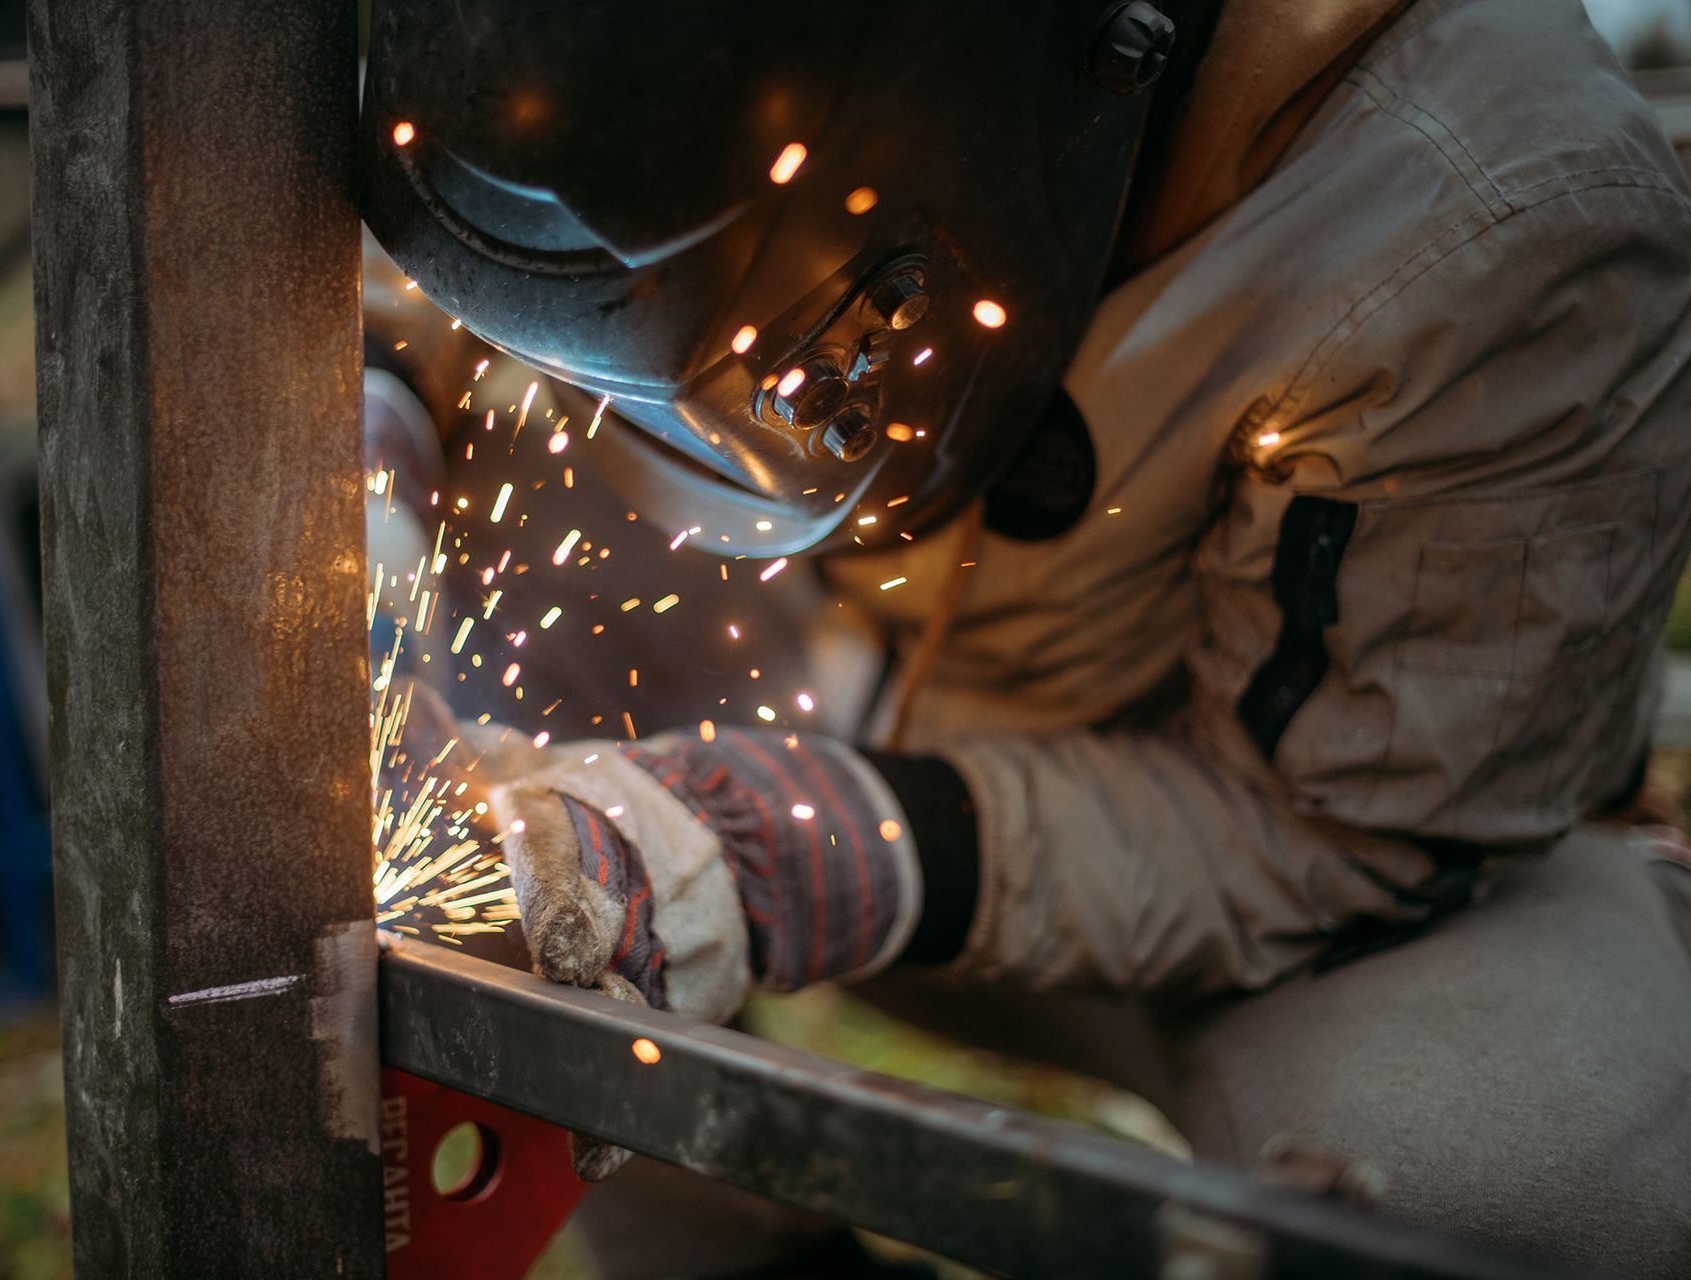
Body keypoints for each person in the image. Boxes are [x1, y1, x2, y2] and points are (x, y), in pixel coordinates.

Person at [362, 0, 1691, 1272]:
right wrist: (363, 451)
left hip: (1300, 880)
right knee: (480, 841)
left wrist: (791, 848)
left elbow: (1331, 833)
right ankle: (732, 1260)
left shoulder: (1505, 217)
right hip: (870, 713)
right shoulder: (631, 86)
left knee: (1496, 1205)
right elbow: (488, 278)